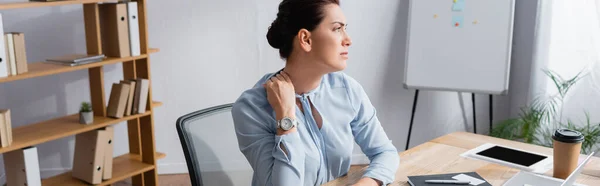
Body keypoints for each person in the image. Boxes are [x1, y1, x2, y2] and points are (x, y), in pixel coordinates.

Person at [231, 0, 400, 185]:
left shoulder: (346, 89)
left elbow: (385, 152)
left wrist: (366, 183)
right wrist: (285, 115)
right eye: (337, 29)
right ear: (306, 39)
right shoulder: (251, 108)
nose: (348, 40)